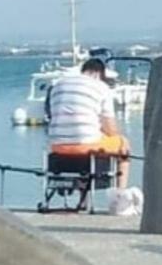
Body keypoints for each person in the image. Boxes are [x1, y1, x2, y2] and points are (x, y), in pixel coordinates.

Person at [46, 57, 130, 188]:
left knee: (86, 139)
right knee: (123, 144)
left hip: (57, 148)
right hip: (86, 148)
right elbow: (111, 130)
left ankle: (83, 201)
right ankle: (120, 195)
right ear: (100, 74)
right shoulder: (102, 87)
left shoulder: (58, 85)